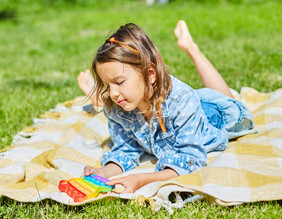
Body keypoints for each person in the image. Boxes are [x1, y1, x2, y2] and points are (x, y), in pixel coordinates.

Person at [77, 20, 255, 193]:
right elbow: (126, 149)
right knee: (109, 102)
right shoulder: (118, 109)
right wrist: (103, 172)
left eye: (119, 82)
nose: (113, 93)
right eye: (108, 85)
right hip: (173, 100)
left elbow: (190, 161)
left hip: (215, 114)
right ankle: (99, 100)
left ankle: (191, 48)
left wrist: (141, 179)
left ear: (150, 74)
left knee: (228, 100)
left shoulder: (183, 102)